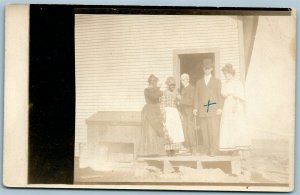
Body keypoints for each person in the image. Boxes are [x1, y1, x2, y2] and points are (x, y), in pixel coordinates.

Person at [193, 58, 223, 156]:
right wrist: (195, 108)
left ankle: (213, 150)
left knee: (213, 130)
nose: (206, 70)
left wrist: (219, 107)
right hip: (202, 110)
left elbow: (220, 96)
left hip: (213, 109)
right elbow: (196, 96)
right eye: (205, 68)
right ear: (203, 69)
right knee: (204, 130)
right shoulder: (199, 82)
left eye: (208, 68)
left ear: (211, 69)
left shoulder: (217, 81)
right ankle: (206, 149)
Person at [219, 64, 251, 155]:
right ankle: (230, 147)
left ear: (231, 73)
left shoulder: (237, 82)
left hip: (235, 104)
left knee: (235, 125)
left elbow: (239, 95)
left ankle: (237, 148)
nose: (226, 75)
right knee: (227, 125)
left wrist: (236, 106)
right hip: (227, 104)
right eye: (225, 73)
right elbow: (223, 94)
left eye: (227, 73)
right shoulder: (226, 83)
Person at [138, 74, 166, 157]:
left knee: (158, 129)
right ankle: (150, 151)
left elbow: (160, 94)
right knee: (151, 130)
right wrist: (157, 88)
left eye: (155, 81)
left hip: (156, 110)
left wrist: (157, 89)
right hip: (150, 111)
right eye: (152, 82)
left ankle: (158, 151)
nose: (153, 83)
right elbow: (153, 96)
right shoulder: (147, 90)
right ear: (149, 82)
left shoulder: (156, 90)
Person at [160, 76, 185, 156]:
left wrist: (179, 100)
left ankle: (174, 150)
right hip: (168, 112)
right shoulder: (164, 93)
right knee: (169, 130)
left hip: (174, 112)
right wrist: (163, 113)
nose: (173, 87)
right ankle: (168, 150)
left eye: (174, 85)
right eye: (171, 85)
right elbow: (162, 104)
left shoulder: (175, 93)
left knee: (175, 131)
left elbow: (178, 104)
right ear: (168, 85)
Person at [179, 73, 197, 154]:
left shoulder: (191, 88)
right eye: (181, 80)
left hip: (189, 112)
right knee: (185, 130)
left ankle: (193, 148)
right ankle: (188, 147)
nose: (182, 82)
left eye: (183, 80)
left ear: (187, 80)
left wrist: (181, 99)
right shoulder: (183, 89)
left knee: (190, 130)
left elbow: (190, 101)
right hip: (183, 112)